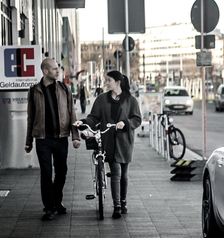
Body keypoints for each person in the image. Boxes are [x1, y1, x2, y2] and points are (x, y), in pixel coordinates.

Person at [76, 71, 142, 219]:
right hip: (109, 141)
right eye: (106, 80)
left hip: (125, 142)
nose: (106, 83)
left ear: (118, 82)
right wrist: (84, 122)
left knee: (124, 175)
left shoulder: (131, 100)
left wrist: (125, 123)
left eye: (109, 80)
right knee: (116, 173)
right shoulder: (101, 99)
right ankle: (117, 206)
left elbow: (137, 119)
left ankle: (123, 202)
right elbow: (94, 117)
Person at [25, 58, 81, 221]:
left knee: (62, 172)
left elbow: (72, 113)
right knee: (46, 173)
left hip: (61, 137)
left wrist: (75, 136)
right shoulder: (34, 91)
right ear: (45, 71)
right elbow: (31, 117)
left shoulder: (65, 88)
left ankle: (57, 201)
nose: (58, 71)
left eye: (58, 69)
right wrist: (29, 141)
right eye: (55, 69)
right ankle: (49, 207)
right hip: (43, 139)